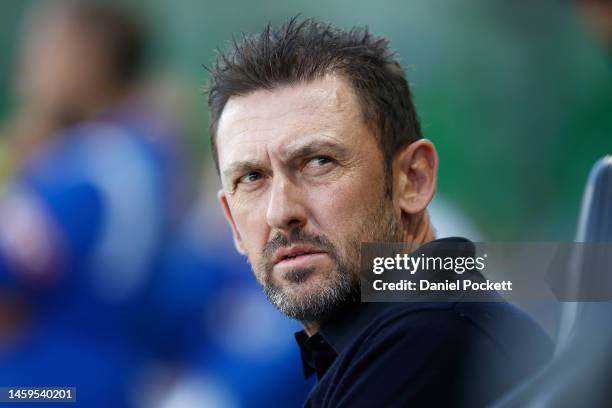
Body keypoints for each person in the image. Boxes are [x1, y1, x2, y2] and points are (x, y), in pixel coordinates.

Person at [206, 17, 553, 407]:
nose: (280, 212)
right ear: (232, 221)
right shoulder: (407, 338)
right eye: (252, 177)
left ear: (413, 179)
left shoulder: (428, 339)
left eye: (318, 162)